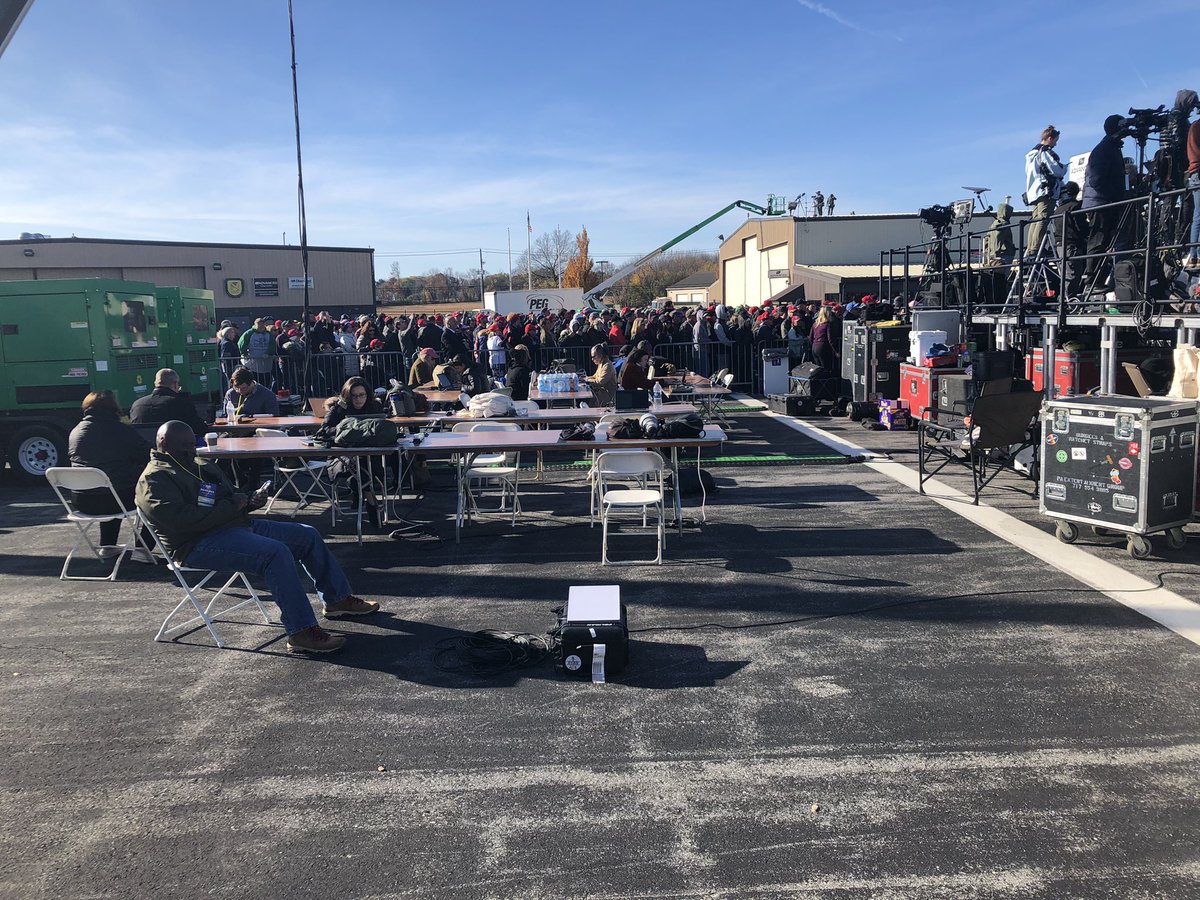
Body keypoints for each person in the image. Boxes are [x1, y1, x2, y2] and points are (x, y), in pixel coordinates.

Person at [136, 420, 379, 653]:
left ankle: (337, 600)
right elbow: (183, 521)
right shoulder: (154, 479)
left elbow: (230, 496)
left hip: (234, 525)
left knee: (308, 535)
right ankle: (301, 632)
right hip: (195, 543)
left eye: (193, 443)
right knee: (275, 553)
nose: (191, 450)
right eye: (185, 446)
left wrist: (249, 501)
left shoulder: (199, 464)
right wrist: (232, 506)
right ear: (164, 444)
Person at [67, 391, 154, 563]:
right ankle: (142, 549)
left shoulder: (76, 431)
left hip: (81, 500)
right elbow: (147, 453)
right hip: (112, 500)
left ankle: (107, 546)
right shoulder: (119, 430)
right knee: (154, 498)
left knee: (108, 485)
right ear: (113, 408)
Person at [1083, 114, 1131, 286]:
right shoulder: (1104, 149)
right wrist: (1115, 196)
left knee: (1102, 242)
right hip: (1101, 203)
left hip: (1103, 202)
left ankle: (1097, 282)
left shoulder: (1109, 147)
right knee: (1099, 241)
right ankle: (1093, 282)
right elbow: (1096, 179)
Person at [1023, 125, 1066, 257]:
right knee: (1043, 218)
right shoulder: (1045, 152)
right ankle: (1035, 249)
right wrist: (1064, 168)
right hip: (1045, 191)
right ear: (1050, 138)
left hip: (1033, 192)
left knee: (1035, 219)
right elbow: (1057, 170)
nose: (1056, 144)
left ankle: (1031, 247)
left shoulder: (1031, 155)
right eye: (1055, 141)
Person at [130, 368, 208, 434]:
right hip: (172, 447)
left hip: (143, 447)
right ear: (175, 384)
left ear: (155, 383)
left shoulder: (136, 405)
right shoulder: (180, 404)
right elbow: (200, 429)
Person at [1054, 182, 1090, 296]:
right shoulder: (1075, 206)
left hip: (1060, 244)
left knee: (1065, 274)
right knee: (1073, 274)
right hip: (1072, 244)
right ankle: (1067, 299)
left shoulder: (1058, 210)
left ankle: (1063, 299)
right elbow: (1080, 226)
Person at [237, 318, 277, 389]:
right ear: (255, 325)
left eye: (262, 325)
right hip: (251, 364)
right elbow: (241, 343)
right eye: (259, 325)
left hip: (265, 364)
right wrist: (244, 354)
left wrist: (269, 353)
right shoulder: (249, 333)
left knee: (265, 383)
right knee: (253, 382)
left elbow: (273, 345)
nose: (261, 327)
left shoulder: (268, 334)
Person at [1187, 107, 1200, 269]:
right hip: (1198, 172)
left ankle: (1194, 257)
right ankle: (1195, 255)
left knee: (1197, 216)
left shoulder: (1194, 126)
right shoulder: (1198, 127)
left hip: (1195, 173)